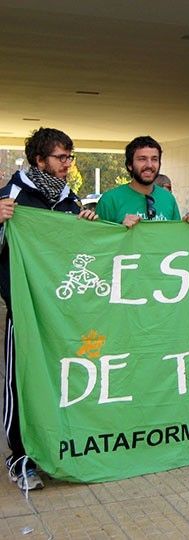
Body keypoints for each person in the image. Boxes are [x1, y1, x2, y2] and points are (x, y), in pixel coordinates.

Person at [0, 127, 98, 491]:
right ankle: (21, 457)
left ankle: (58, 445)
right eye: (61, 157)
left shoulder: (69, 200)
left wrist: (86, 226)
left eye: (70, 157)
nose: (67, 165)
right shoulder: (11, 196)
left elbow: (76, 252)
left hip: (64, 312)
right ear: (39, 159)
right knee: (21, 380)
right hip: (26, 310)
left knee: (63, 379)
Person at [96, 136, 189, 227]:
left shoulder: (168, 199)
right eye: (142, 159)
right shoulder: (110, 200)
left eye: (154, 159)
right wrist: (119, 228)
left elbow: (176, 238)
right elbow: (98, 241)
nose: (149, 165)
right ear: (129, 165)